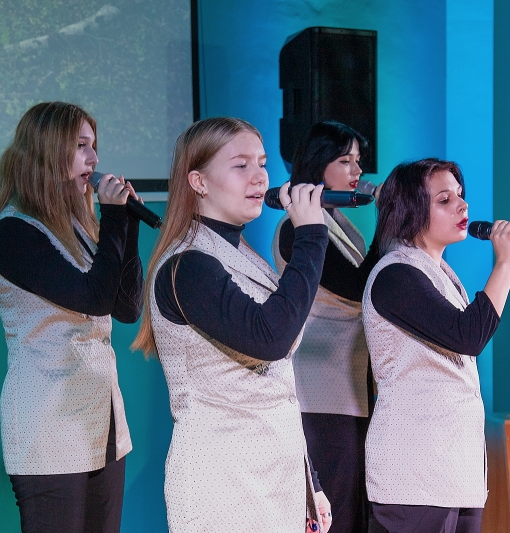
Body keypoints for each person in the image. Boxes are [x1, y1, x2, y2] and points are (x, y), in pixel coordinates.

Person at [132, 117, 332, 532]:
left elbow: (278, 384)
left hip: (274, 475)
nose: (259, 177)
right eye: (241, 165)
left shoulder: (240, 253)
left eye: (262, 163)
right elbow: (270, 338)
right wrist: (311, 237)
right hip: (222, 482)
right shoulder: (188, 265)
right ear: (199, 182)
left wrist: (310, 482)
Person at [0, 101, 143, 533]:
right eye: (80, 146)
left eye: (94, 145)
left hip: (102, 423)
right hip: (49, 426)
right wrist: (112, 218)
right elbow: (92, 298)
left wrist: (127, 228)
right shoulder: (14, 231)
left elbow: (126, 308)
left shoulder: (79, 228)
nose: (94, 159)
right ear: (46, 151)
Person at [362, 158, 510, 533]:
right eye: (445, 199)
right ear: (411, 210)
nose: (462, 206)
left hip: (454, 472)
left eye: (461, 196)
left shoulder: (439, 273)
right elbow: (467, 336)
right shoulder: (395, 274)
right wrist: (505, 264)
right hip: (414, 476)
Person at [272, 121, 379, 533]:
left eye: (358, 161)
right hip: (320, 391)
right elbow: (360, 287)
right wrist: (390, 217)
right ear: (318, 166)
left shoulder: (338, 222)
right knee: (335, 509)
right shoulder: (297, 228)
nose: (357, 171)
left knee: (355, 508)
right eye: (345, 161)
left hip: (350, 385)